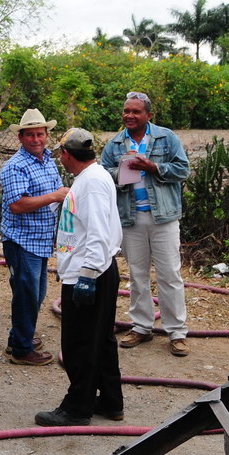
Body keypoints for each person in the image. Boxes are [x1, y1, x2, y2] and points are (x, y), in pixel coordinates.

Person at [35, 128, 124, 427]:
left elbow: (99, 231)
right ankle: (111, 401)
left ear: (66, 155)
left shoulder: (93, 183)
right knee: (100, 340)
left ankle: (77, 408)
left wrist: (87, 275)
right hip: (94, 268)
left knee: (79, 344)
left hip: (91, 272)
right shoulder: (89, 178)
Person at [100, 92, 191, 357]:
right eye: (126, 111)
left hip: (163, 217)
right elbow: (103, 176)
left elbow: (182, 169)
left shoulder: (166, 137)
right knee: (137, 276)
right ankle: (141, 327)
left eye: (136, 112)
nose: (129, 116)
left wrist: (153, 167)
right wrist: (120, 172)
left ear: (148, 115)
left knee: (169, 275)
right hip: (130, 218)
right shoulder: (115, 144)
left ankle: (176, 332)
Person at [0, 109, 69, 366]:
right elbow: (17, 205)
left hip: (40, 239)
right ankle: (21, 350)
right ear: (20, 137)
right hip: (22, 240)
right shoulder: (15, 166)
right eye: (30, 135)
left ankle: (19, 338)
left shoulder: (47, 159)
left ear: (47, 135)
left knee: (35, 293)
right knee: (27, 294)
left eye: (40, 134)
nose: (36, 139)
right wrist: (54, 196)